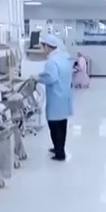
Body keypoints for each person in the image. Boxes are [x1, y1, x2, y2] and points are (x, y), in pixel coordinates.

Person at [35, 33, 74, 161]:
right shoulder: (64, 56)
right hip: (65, 94)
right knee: (62, 122)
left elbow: (51, 77)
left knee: (54, 124)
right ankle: (59, 147)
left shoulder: (51, 61)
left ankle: (59, 153)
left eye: (43, 46)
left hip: (56, 95)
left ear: (47, 47)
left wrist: (37, 78)